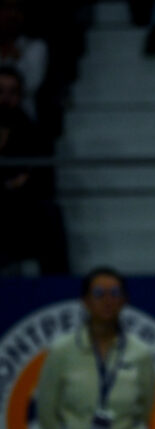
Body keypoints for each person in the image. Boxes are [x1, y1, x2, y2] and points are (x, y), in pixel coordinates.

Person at [37, 267, 155, 429]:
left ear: (125, 300)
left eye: (115, 293)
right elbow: (46, 410)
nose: (108, 300)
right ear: (85, 301)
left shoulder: (140, 352)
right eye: (99, 293)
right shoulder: (62, 350)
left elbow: (146, 409)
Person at [0, 66, 69, 274]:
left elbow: (42, 180)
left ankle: (56, 290)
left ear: (21, 96)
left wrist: (13, 185)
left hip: (21, 207)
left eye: (12, 92)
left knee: (49, 213)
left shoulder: (33, 132)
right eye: (0, 91)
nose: (5, 98)